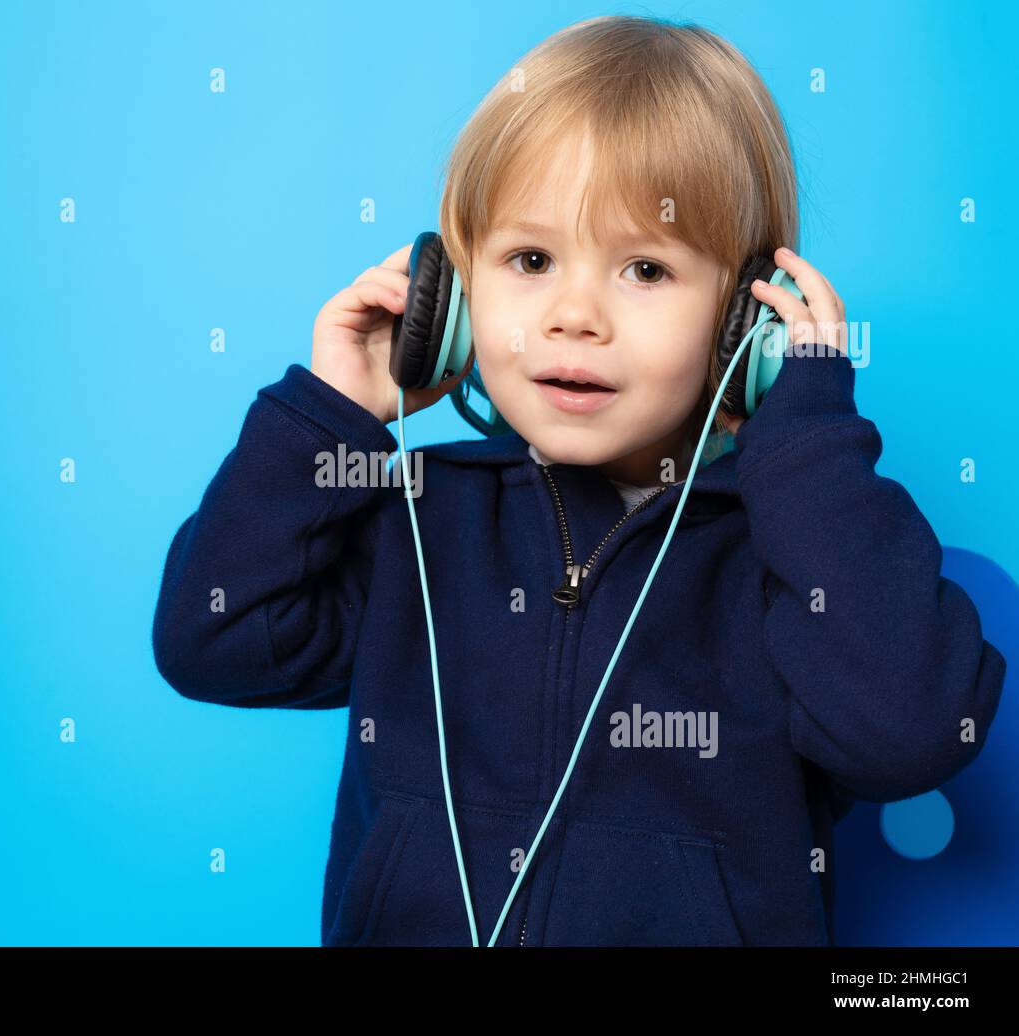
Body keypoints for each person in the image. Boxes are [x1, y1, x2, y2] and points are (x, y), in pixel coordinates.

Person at [152, 15, 1005, 946]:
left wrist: (806, 436)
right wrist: (329, 415)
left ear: (743, 322)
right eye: (530, 260)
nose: (573, 316)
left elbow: (910, 735)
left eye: (645, 268)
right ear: (455, 302)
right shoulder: (419, 521)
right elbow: (213, 638)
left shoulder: (799, 553)